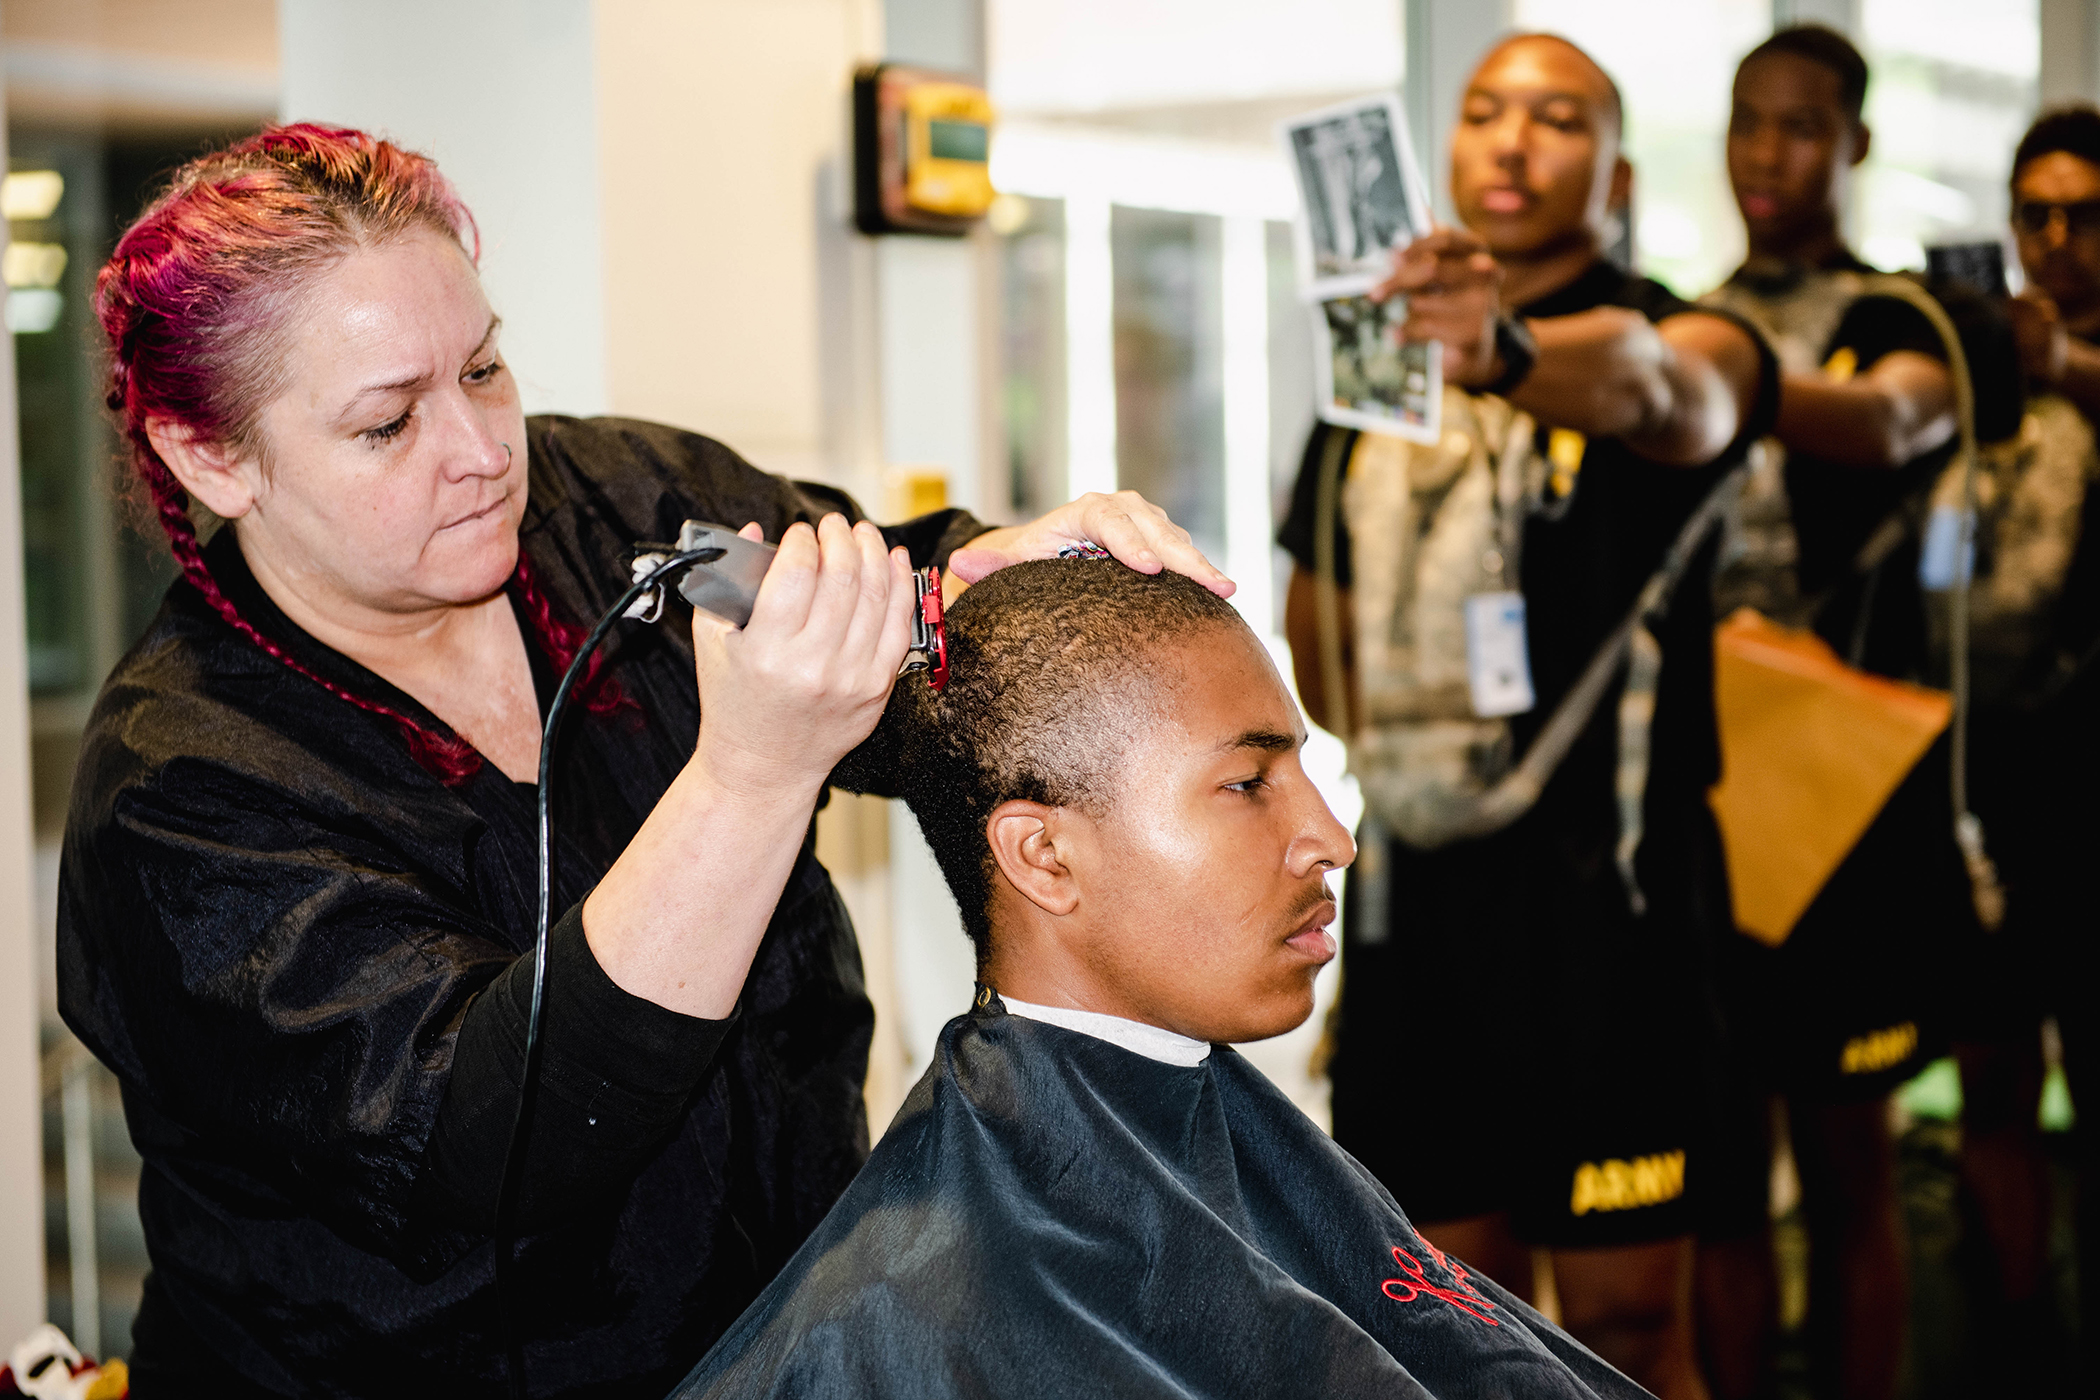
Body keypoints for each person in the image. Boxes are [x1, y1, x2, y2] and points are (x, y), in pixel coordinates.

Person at [56, 125, 1225, 1398]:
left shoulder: (617, 500)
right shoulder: (183, 792)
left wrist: (982, 592)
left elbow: (876, 619)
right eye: (388, 423)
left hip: (788, 1335)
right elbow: (503, 1134)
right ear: (211, 455)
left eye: (484, 367)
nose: (484, 451)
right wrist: (751, 776)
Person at [672, 557, 1652, 1400]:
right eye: (1248, 783)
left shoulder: (1218, 1128)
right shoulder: (906, 1311)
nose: (1331, 838)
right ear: (1045, 856)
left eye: (1301, 773)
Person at [1278, 34, 1776, 1400]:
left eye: (1557, 118)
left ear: (1617, 174)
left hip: (1613, 915)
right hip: (1423, 913)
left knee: (1626, 1326)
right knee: (1449, 1330)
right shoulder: (1378, 367)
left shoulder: (1686, 335)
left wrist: (1497, 349)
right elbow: (1320, 632)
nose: (1511, 140)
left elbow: (1660, 388)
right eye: (1486, 110)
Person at [1691, 28, 2018, 1400]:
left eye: (1803, 125)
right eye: (1748, 121)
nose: (1769, 153)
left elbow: (1890, 423)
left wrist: (1726, 382)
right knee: (1719, 1183)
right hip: (1700, 796)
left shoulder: (1905, 320)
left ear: (1857, 143)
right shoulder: (1689, 314)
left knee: (1849, 1171)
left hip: (1849, 796)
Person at [1948, 103, 2100, 1391]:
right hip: (1992, 790)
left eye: (2085, 216)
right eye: (2034, 214)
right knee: (1991, 1082)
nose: (2057, 240)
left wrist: (2068, 367)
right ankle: (2015, 1341)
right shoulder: (1987, 375)